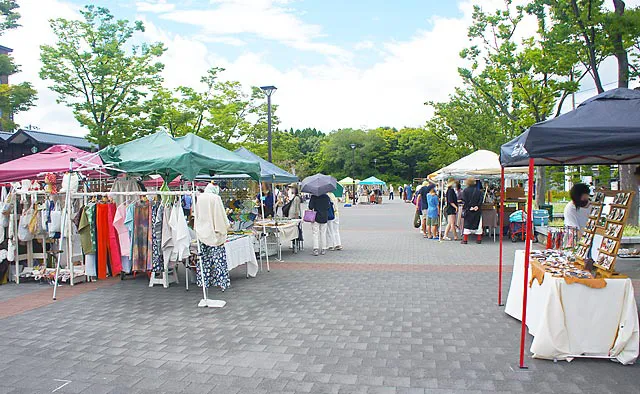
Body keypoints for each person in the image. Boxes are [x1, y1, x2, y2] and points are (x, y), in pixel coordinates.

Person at [461, 177, 484, 244]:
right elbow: (481, 200)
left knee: (467, 225)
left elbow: (464, 201)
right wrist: (477, 206)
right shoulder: (479, 191)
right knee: (478, 225)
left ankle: (465, 240)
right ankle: (479, 239)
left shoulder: (465, 191)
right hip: (477, 210)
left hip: (469, 210)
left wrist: (469, 207)